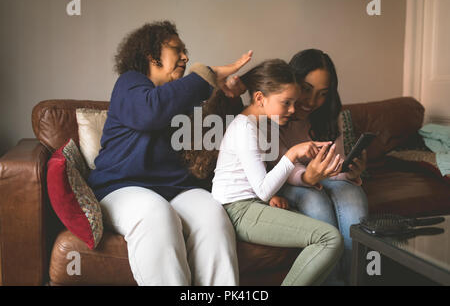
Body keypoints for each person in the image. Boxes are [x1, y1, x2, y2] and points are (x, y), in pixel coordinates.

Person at [88, 21, 252, 286]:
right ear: (152, 56)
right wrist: (205, 74)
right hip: (122, 188)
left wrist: (229, 98)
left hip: (177, 189)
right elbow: (150, 112)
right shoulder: (130, 84)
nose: (186, 57)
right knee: (156, 214)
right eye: (177, 49)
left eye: (186, 52)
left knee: (213, 216)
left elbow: (219, 136)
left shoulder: (188, 95)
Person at [211, 59, 344, 286]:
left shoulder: (260, 124)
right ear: (260, 98)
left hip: (250, 203)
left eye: (293, 102)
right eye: (286, 103)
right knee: (329, 238)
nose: (293, 110)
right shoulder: (245, 128)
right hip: (238, 210)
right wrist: (291, 155)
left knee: (326, 235)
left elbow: (256, 178)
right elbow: (262, 189)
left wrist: (274, 195)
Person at [274, 49, 369, 284]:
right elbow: (276, 164)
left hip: (322, 178)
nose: (312, 102)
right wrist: (307, 177)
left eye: (322, 94)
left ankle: (355, 279)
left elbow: (336, 165)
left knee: (353, 197)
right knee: (316, 202)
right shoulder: (276, 110)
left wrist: (350, 171)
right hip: (285, 179)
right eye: (306, 89)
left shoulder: (329, 114)